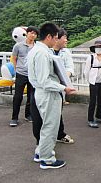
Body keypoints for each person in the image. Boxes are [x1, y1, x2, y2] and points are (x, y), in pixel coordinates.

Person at [27, 22, 76, 169]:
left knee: (46, 125)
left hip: (42, 93)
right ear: (48, 37)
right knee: (50, 127)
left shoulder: (36, 50)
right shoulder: (42, 53)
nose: (56, 40)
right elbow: (45, 81)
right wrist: (64, 87)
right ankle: (47, 159)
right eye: (55, 37)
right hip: (48, 93)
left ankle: (40, 152)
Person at [10, 26, 39, 127]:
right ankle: (14, 118)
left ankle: (28, 115)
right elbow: (13, 58)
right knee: (18, 96)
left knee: (31, 96)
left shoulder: (37, 47)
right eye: (31, 32)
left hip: (32, 74)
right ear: (27, 33)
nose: (33, 35)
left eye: (35, 34)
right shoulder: (18, 46)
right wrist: (15, 70)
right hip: (21, 74)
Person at [84, 40, 101, 128]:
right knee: (93, 101)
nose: (99, 49)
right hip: (93, 82)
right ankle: (90, 119)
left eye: (100, 47)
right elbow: (86, 71)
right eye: (97, 47)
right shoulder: (90, 58)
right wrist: (89, 81)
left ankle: (99, 116)